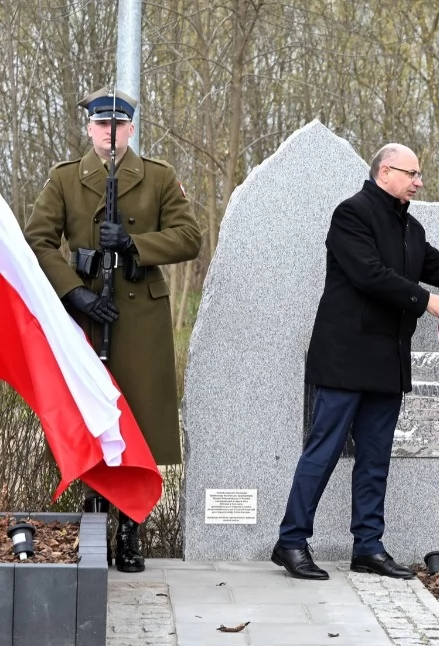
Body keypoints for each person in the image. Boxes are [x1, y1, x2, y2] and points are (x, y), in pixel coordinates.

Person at [272, 143, 439, 581]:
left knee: (375, 458)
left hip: (388, 363)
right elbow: (368, 274)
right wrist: (425, 301)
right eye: (412, 174)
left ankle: (367, 546)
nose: (419, 182)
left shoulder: (412, 229)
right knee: (323, 451)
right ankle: (291, 541)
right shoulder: (351, 214)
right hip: (345, 359)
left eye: (419, 175)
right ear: (386, 172)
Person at [24, 86, 202, 573]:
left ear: (130, 128)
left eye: (118, 125)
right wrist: (73, 292)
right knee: (92, 419)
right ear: (89, 128)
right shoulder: (64, 180)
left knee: (135, 423)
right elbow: (37, 241)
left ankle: (131, 532)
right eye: (101, 125)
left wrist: (134, 243)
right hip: (85, 315)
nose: (109, 133)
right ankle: (93, 521)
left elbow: (190, 237)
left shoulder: (159, 178)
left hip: (139, 321)